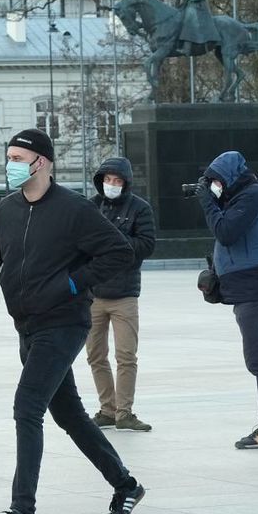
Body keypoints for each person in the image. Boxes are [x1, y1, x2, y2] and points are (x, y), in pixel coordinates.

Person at [0, 128, 145, 514]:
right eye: (8, 157)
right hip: (26, 326)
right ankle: (126, 485)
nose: (10, 165)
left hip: (63, 324)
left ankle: (22, 512)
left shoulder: (75, 209)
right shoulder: (8, 209)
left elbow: (118, 252)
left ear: (41, 163)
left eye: (17, 157)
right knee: (69, 414)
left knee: (27, 407)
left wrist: (73, 283)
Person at [196, 151, 258, 449]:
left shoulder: (253, 196)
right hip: (252, 289)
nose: (214, 186)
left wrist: (208, 202)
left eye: (216, 180)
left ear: (229, 177)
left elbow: (226, 232)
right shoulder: (241, 197)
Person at [86, 157, 157, 432]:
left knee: (126, 355)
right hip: (92, 293)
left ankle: (125, 412)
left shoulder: (140, 208)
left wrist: (112, 239)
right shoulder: (90, 207)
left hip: (125, 294)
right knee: (95, 355)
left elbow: (147, 244)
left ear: (125, 184)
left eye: (117, 181)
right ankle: (108, 409)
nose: (111, 185)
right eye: (107, 180)